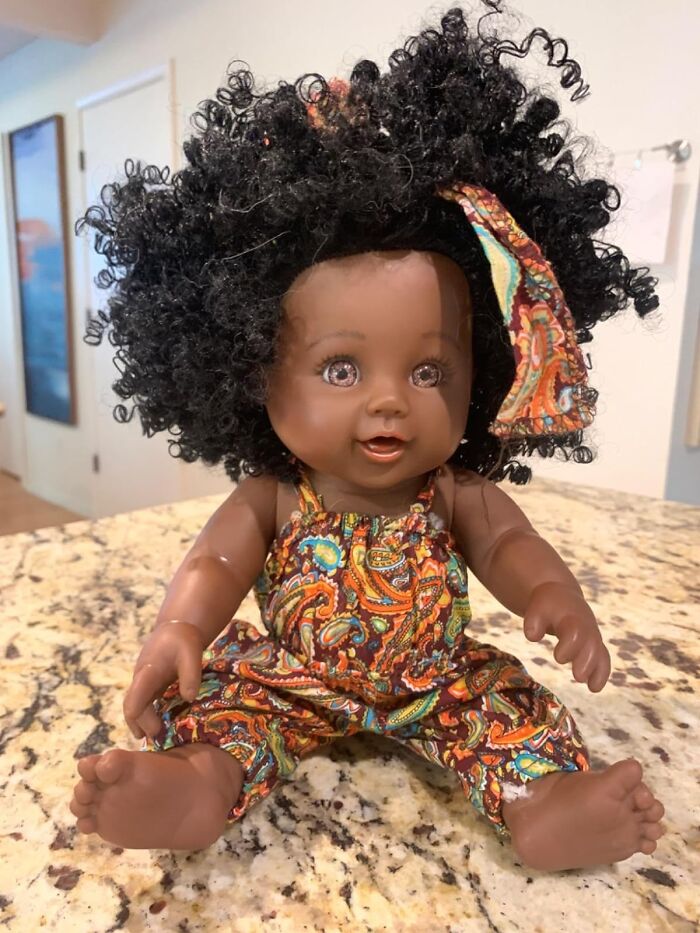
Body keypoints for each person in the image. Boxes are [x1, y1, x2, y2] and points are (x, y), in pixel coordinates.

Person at [69, 3, 665, 869]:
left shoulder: (452, 491)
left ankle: (545, 801)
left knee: (506, 708)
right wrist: (180, 627)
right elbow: (216, 561)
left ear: (481, 373)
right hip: (290, 679)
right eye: (342, 369)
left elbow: (510, 544)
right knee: (227, 708)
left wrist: (551, 594)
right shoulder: (276, 494)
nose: (390, 402)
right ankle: (194, 786)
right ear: (253, 370)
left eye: (428, 371)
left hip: (437, 680)